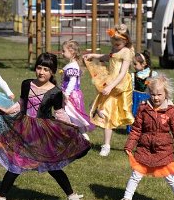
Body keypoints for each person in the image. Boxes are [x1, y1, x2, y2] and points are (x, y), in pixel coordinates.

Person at [0, 53, 91, 200]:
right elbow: (22, 103)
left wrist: (72, 128)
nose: (41, 72)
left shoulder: (56, 92)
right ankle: (1, 197)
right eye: (39, 68)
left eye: (46, 69)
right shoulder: (27, 84)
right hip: (23, 128)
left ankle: (72, 195)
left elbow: (59, 113)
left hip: (43, 132)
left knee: (53, 166)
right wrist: (7, 110)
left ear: (52, 72)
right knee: (16, 163)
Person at [121, 74, 174, 200]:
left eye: (159, 94)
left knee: (171, 177)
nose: (156, 98)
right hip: (144, 149)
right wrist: (130, 145)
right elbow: (136, 129)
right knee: (136, 175)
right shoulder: (143, 108)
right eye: (152, 94)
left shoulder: (171, 111)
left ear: (166, 94)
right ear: (148, 93)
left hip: (164, 151)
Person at [83, 25, 135, 157]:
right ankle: (104, 143)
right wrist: (94, 55)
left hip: (119, 85)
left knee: (108, 111)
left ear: (126, 41)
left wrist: (110, 86)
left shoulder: (126, 52)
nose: (116, 45)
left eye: (119, 43)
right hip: (110, 81)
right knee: (104, 111)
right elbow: (109, 57)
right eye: (114, 42)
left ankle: (106, 145)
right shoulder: (115, 49)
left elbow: (122, 73)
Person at [59, 40, 94, 133]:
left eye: (64, 51)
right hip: (68, 93)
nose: (62, 53)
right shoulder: (71, 65)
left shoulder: (73, 66)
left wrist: (66, 94)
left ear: (72, 52)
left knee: (74, 115)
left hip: (71, 95)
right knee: (69, 115)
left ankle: (82, 135)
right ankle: (75, 134)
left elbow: (72, 81)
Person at [129, 50, 157, 124]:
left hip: (148, 98)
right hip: (135, 98)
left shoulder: (152, 74)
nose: (134, 66)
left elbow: (156, 87)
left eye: (135, 64)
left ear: (143, 64)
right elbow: (131, 87)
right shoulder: (133, 75)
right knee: (135, 113)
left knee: (147, 114)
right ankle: (134, 130)